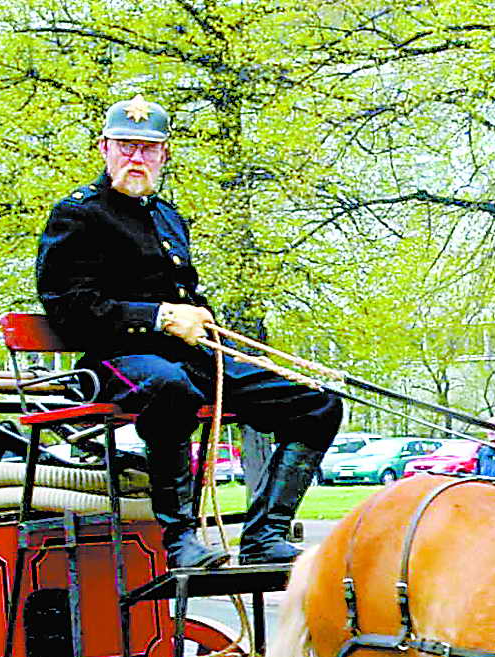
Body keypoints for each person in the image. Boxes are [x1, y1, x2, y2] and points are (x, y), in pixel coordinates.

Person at [36, 94, 341, 568]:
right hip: (116, 360)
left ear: (164, 155)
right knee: (171, 388)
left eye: (148, 149)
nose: (136, 158)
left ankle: (265, 535)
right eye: (126, 146)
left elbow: (185, 293)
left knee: (317, 403)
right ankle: (179, 540)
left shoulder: (168, 218)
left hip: (189, 356)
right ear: (104, 148)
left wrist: (199, 317)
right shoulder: (78, 214)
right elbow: (68, 307)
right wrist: (156, 317)